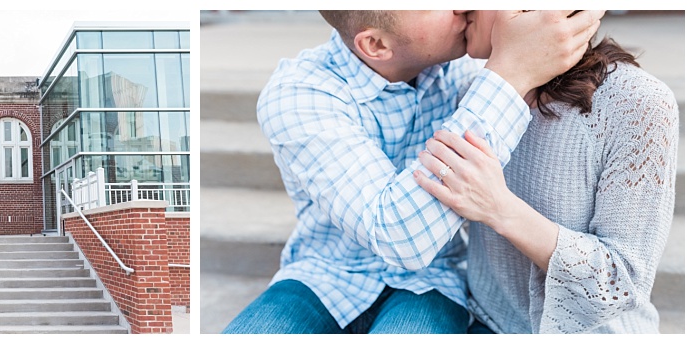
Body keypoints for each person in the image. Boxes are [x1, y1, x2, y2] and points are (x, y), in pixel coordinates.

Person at [222, 10, 604, 334]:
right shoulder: (299, 93)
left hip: (434, 282)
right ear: (376, 46)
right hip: (325, 274)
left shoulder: (464, 66)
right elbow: (399, 236)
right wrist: (510, 75)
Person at [414, 10, 678, 333]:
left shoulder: (638, 104)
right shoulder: (474, 95)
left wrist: (500, 209)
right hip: (482, 323)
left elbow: (619, 282)